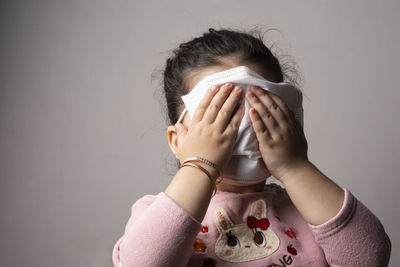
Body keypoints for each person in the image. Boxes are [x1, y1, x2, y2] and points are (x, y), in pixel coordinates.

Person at [112, 28, 391, 267]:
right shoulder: (156, 215)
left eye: (259, 110)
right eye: (218, 114)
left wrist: (295, 168)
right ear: (177, 140)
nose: (241, 127)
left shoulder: (310, 212)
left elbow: (370, 258)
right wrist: (199, 165)